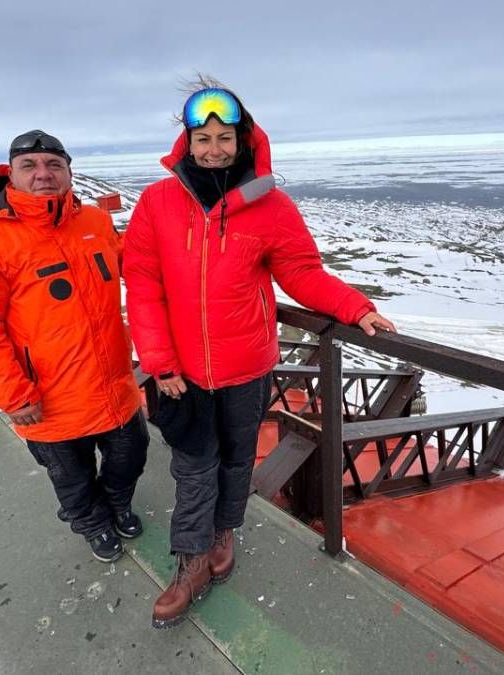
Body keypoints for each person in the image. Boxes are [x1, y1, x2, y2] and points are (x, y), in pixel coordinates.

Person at [123, 83, 396, 628]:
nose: (214, 149)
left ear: (244, 141)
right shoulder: (158, 202)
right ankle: (191, 559)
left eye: (225, 138)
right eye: (203, 138)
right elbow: (143, 282)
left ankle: (224, 531)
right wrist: (159, 361)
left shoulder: (270, 206)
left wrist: (354, 307)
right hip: (181, 375)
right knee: (193, 466)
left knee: (235, 460)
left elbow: (301, 272)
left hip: (246, 367)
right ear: (187, 141)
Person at [0, 130, 148, 564]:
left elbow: (128, 259)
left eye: (54, 164)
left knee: (130, 456)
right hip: (47, 398)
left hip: (113, 383)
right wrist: (13, 394)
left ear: (69, 170)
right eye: (29, 167)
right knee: (70, 478)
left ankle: (116, 505)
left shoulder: (93, 221)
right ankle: (91, 523)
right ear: (10, 175)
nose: (43, 175)